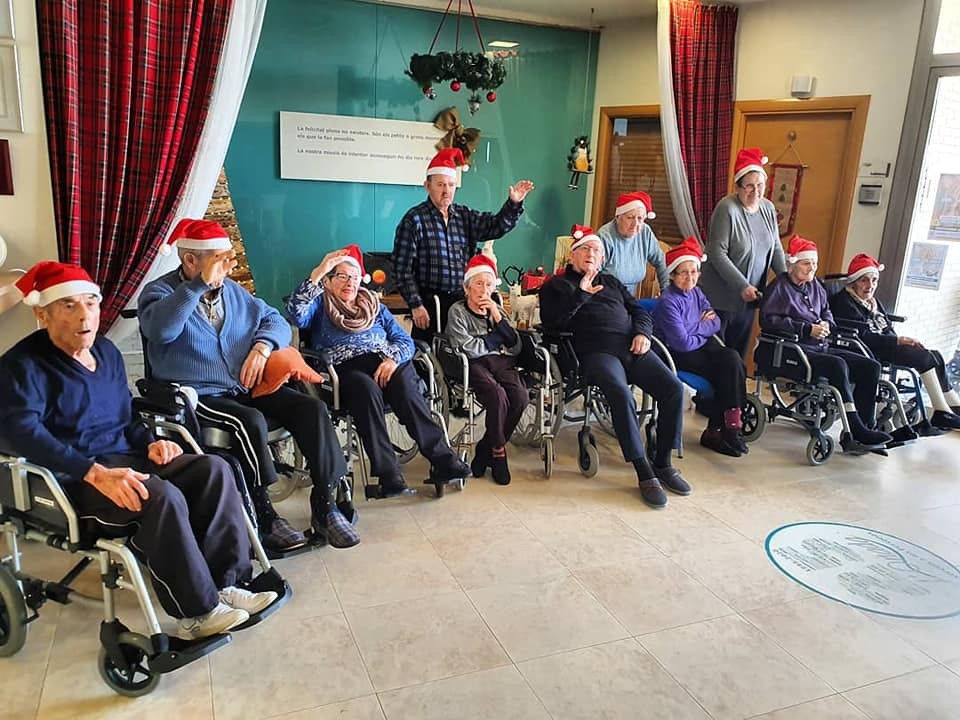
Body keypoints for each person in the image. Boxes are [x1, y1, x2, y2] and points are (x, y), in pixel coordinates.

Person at [0, 262, 278, 638]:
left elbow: (126, 415)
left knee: (213, 469)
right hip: (73, 478)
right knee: (158, 495)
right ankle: (197, 612)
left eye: (90, 303)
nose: (84, 315)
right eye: (68, 305)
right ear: (42, 314)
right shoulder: (21, 366)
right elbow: (23, 434)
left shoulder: (106, 352)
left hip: (126, 459)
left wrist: (150, 443)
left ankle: (226, 583)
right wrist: (93, 473)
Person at [139, 219, 359, 550]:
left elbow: (275, 320)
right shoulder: (160, 293)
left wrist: (262, 347)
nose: (227, 268)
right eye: (219, 260)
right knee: (250, 421)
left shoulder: (232, 292)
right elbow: (161, 331)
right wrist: (197, 286)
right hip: (198, 396)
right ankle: (265, 514)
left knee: (311, 408)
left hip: (244, 386)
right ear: (190, 260)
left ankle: (326, 506)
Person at [286, 245, 471, 496]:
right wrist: (319, 271)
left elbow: (404, 341)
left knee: (405, 383)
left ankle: (444, 461)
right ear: (327, 281)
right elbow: (295, 314)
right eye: (342, 276)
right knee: (365, 388)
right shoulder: (319, 306)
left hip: (385, 363)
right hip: (345, 369)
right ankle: (389, 475)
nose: (349, 283)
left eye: (354, 277)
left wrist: (393, 359)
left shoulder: (374, 305)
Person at [539, 225, 690, 509]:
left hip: (631, 347)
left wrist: (643, 334)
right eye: (585, 249)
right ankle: (643, 471)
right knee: (621, 394)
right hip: (594, 353)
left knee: (673, 388)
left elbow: (639, 311)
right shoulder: (555, 286)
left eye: (596, 250)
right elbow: (552, 325)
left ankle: (663, 463)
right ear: (572, 255)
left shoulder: (612, 282)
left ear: (603, 258)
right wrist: (581, 294)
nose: (591, 253)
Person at [759, 236, 893, 453]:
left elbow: (826, 312)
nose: (812, 267)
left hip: (820, 346)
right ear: (792, 264)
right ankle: (855, 429)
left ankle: (867, 427)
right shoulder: (779, 287)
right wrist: (806, 329)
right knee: (837, 365)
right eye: (806, 263)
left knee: (870, 366)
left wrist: (826, 324)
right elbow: (768, 320)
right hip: (794, 350)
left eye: (814, 263)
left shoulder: (815, 286)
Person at [392, 147, 535, 342]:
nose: (446, 191)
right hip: (429, 305)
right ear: (427, 186)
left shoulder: (465, 216)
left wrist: (513, 204)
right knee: (428, 355)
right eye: (440, 184)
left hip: (463, 304)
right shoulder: (414, 220)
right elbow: (401, 270)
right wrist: (416, 305)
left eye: (451, 185)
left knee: (465, 355)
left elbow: (495, 226)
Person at [829, 252, 960, 432]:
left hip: (886, 343)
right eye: (864, 280)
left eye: (874, 280)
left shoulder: (872, 302)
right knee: (924, 358)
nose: (870, 286)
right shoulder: (844, 302)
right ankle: (941, 411)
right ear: (853, 281)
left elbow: (886, 326)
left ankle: (953, 405)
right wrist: (897, 341)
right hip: (868, 348)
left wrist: (900, 340)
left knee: (935, 355)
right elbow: (863, 335)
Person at [653, 238, 749, 457]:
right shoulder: (668, 301)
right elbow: (682, 343)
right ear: (672, 275)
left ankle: (729, 428)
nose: (690, 277)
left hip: (699, 347)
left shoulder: (697, 292)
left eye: (694, 271)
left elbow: (715, 323)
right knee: (727, 369)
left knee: (733, 360)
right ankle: (724, 429)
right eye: (684, 272)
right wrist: (701, 327)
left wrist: (694, 329)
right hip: (675, 354)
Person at [698, 147, 787, 357]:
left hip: (750, 299)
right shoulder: (727, 208)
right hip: (720, 299)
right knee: (718, 357)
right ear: (737, 186)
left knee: (738, 355)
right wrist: (742, 285)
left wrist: (786, 281)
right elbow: (717, 252)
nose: (755, 191)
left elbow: (775, 247)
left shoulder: (767, 208)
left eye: (760, 185)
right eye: (749, 186)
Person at [445, 254, 526, 485]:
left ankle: (484, 449)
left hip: (502, 362)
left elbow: (515, 345)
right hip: (474, 364)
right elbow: (467, 347)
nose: (484, 289)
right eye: (478, 283)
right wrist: (495, 340)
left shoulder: (496, 309)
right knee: (497, 396)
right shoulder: (458, 311)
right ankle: (498, 452)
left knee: (520, 397)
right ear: (467, 287)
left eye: (489, 284)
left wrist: (498, 317)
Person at [596, 191, 669, 294]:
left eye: (640, 218)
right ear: (618, 218)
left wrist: (667, 292)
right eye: (630, 217)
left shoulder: (645, 232)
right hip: (605, 296)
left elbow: (661, 262)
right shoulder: (605, 236)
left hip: (630, 298)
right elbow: (592, 273)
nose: (635, 224)